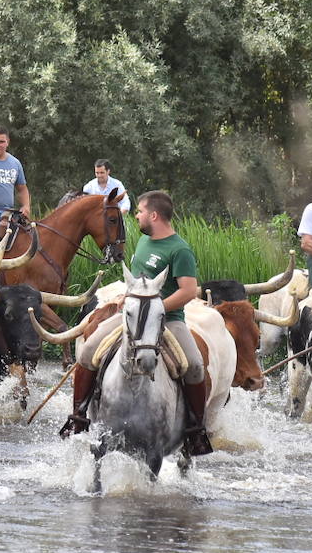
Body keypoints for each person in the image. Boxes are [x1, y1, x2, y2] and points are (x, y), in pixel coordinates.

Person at [63, 190, 212, 455]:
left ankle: (194, 432)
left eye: (140, 212)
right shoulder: (143, 242)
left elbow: (188, 291)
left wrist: (154, 309)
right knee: (87, 352)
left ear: (154, 215)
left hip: (168, 321)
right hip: (129, 318)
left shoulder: (180, 250)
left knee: (195, 366)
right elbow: (139, 282)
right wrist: (129, 297)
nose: (137, 216)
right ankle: (79, 417)